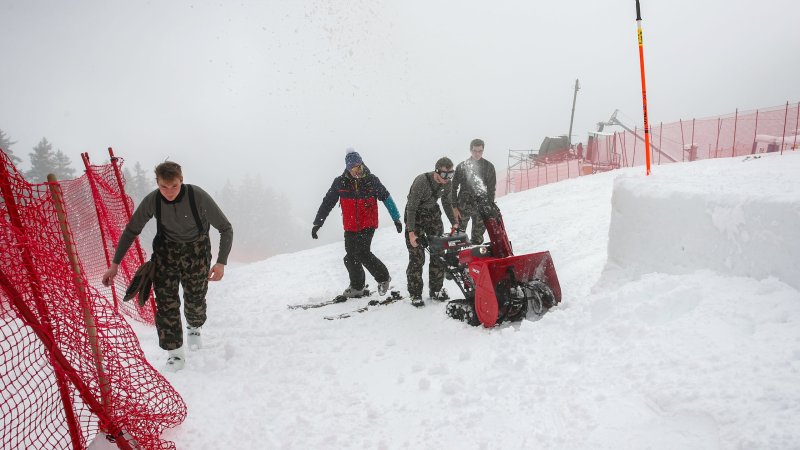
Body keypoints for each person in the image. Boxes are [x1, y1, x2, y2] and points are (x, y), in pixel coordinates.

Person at [102, 161, 233, 372]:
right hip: (166, 253)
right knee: (166, 303)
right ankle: (175, 354)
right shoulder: (153, 200)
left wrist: (221, 262)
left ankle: (194, 326)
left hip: (196, 252)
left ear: (181, 180)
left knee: (195, 300)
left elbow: (226, 228)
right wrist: (115, 264)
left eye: (174, 186)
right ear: (157, 183)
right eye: (164, 186)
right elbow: (131, 230)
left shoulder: (197, 196)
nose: (169, 192)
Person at [312, 149, 402, 298]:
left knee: (362, 252)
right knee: (350, 257)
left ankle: (384, 278)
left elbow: (386, 198)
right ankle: (357, 287)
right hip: (350, 226)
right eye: (353, 169)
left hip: (368, 224)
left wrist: (396, 218)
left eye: (359, 167)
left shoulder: (372, 180)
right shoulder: (340, 183)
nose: (357, 171)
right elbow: (327, 203)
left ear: (362, 164)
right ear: (348, 169)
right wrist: (318, 223)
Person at [404, 157, 457, 307]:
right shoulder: (421, 182)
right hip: (416, 216)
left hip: (433, 214)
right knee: (417, 256)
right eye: (445, 175)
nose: (448, 179)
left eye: (451, 174)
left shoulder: (448, 183)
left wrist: (454, 222)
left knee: (438, 253)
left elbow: (447, 202)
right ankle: (415, 294)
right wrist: (411, 232)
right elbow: (411, 208)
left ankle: (436, 290)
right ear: (437, 171)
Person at [451, 138, 497, 245]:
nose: (477, 153)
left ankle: (476, 261)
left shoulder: (489, 167)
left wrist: (489, 206)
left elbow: (491, 189)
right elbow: (453, 188)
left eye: (480, 151)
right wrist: (454, 207)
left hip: (480, 207)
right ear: (470, 150)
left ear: (483, 151)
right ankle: (458, 260)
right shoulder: (462, 166)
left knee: (477, 239)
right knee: (458, 238)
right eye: (475, 151)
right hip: (463, 207)